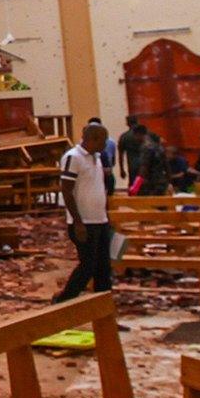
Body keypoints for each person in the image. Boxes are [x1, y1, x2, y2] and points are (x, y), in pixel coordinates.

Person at [55, 122, 114, 302]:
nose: (106, 144)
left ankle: (103, 310)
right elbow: (66, 190)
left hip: (100, 220)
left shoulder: (96, 157)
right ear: (92, 139)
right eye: (103, 140)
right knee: (88, 266)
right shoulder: (74, 157)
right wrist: (78, 221)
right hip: (84, 222)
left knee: (104, 267)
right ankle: (64, 301)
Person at [117, 116, 148, 182]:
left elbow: (121, 155)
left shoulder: (124, 137)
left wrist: (122, 170)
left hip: (132, 166)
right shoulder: (145, 134)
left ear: (127, 123)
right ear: (137, 121)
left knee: (135, 186)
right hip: (145, 165)